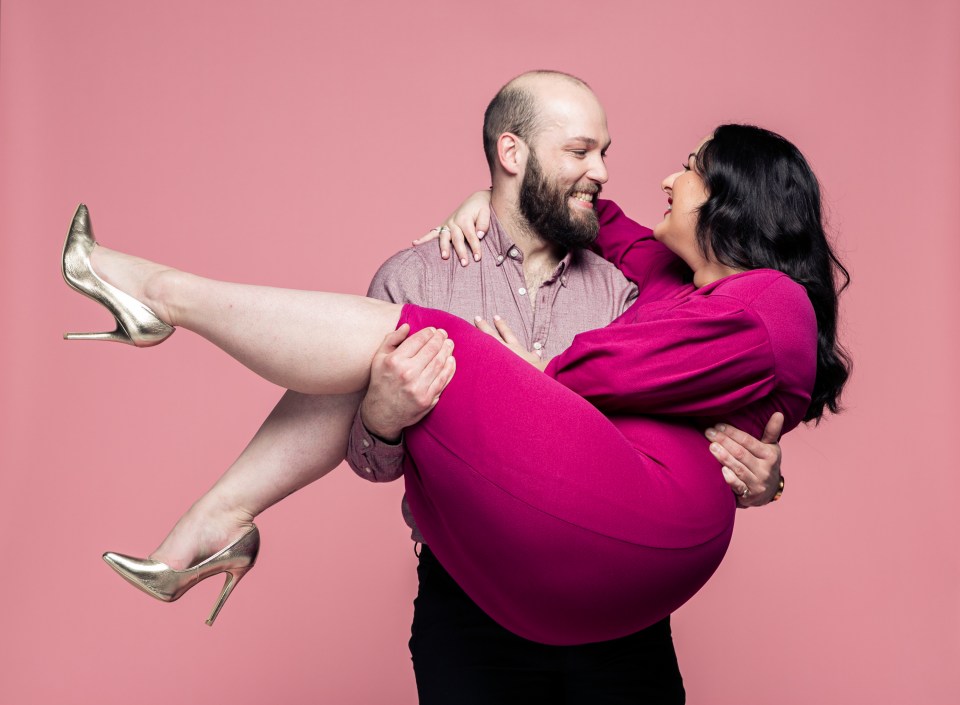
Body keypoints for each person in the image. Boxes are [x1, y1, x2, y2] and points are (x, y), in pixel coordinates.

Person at [62, 94, 847, 675]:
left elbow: (627, 372)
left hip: (628, 544)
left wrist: (537, 375)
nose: (663, 178)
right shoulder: (663, 274)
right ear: (514, 155)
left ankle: (158, 296)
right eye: (580, 151)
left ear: (733, 200)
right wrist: (488, 206)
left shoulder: (761, 301)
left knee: (423, 333)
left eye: (692, 167)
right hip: (489, 580)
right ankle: (216, 520)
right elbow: (604, 220)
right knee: (398, 340)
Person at [342, 72, 784, 702]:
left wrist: (755, 471)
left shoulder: (629, 294)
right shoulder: (415, 281)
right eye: (580, 152)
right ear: (512, 153)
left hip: (621, 621)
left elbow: (680, 447)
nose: (602, 172)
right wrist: (381, 420)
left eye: (604, 153)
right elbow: (373, 465)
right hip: (471, 615)